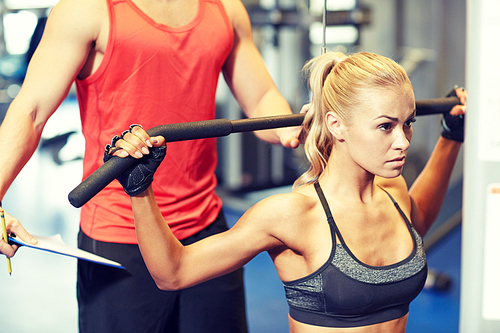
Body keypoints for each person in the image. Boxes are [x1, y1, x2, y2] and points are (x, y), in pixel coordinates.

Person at [108, 51, 466, 332]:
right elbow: (174, 273)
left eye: (408, 124)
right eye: (385, 127)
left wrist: (450, 137)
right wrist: (141, 190)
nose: (402, 141)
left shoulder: (393, 191)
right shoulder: (291, 215)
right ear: (336, 124)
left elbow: (416, 220)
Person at [0, 0, 303, 332]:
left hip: (206, 230)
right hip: (120, 235)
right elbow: (31, 113)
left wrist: (291, 127)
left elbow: (261, 98)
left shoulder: (226, 9)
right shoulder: (87, 9)